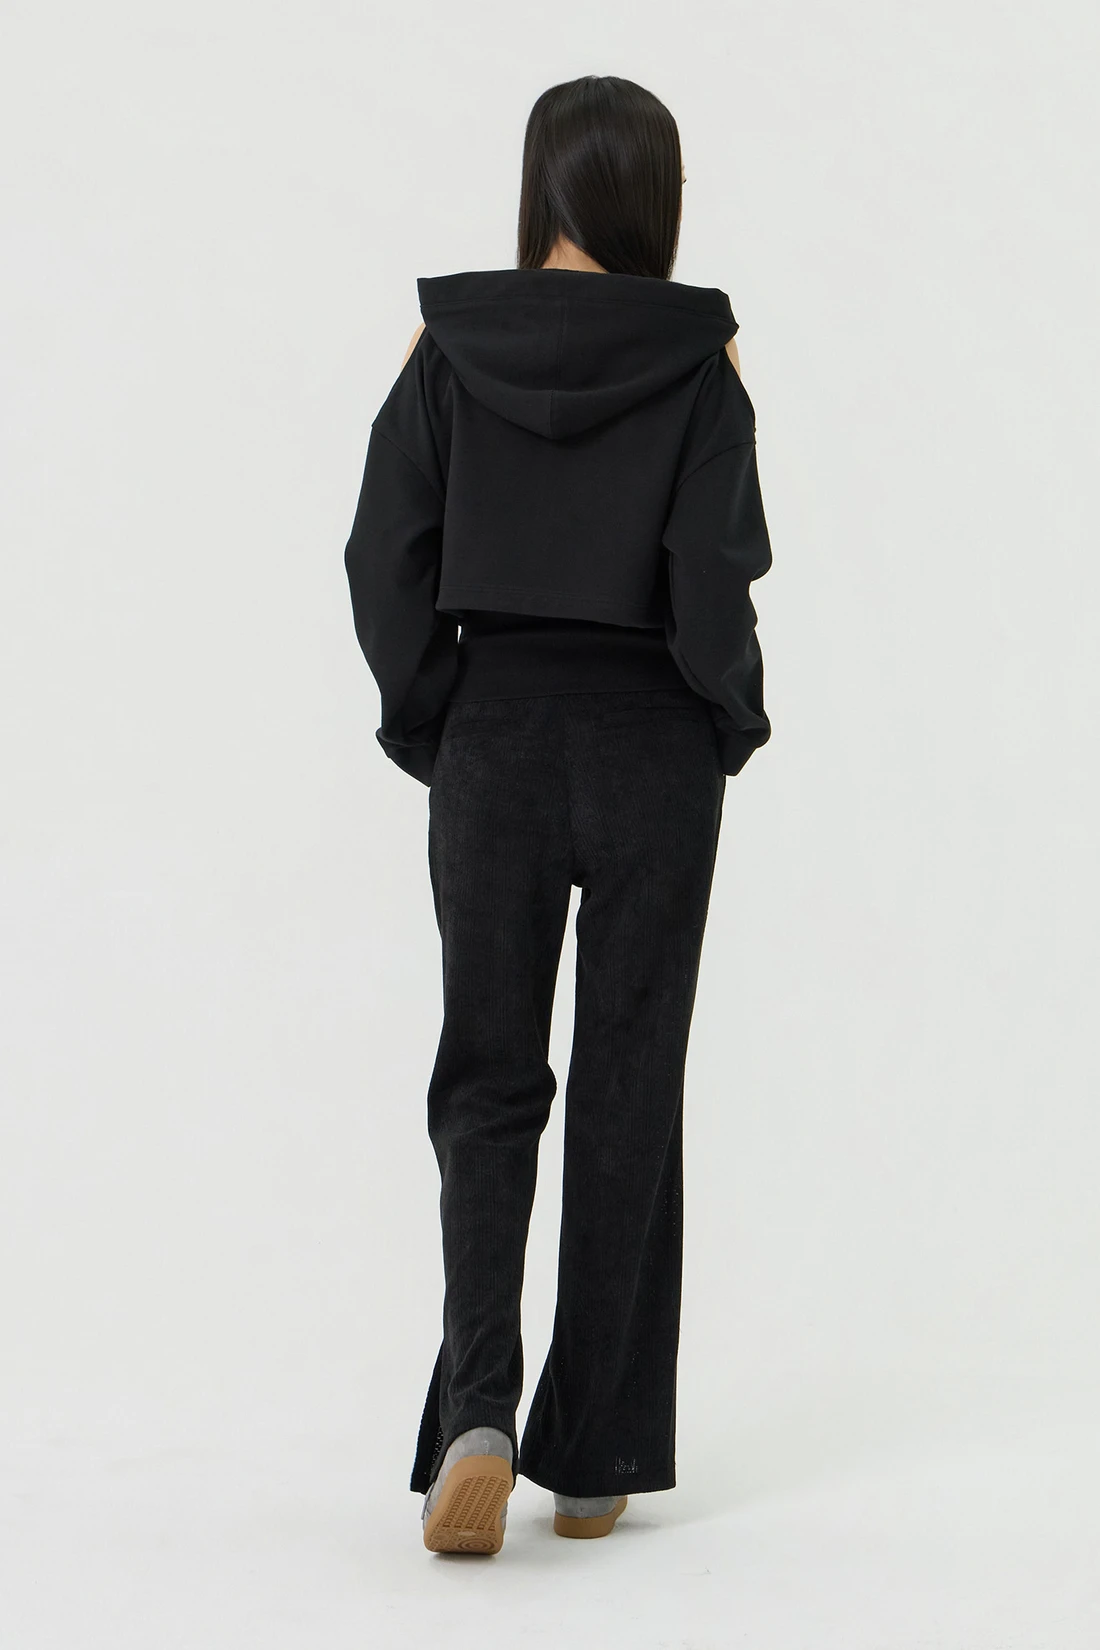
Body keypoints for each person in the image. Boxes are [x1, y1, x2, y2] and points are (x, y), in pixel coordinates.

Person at [343, 74, 773, 1555]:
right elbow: (713, 582)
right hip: (654, 745)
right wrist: (727, 717)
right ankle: (593, 1453)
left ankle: (479, 1406)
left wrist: (435, 715)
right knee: (629, 1079)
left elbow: (382, 551)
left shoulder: (448, 347)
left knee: (487, 1075)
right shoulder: (702, 362)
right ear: (656, 198)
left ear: (540, 188)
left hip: (497, 736)